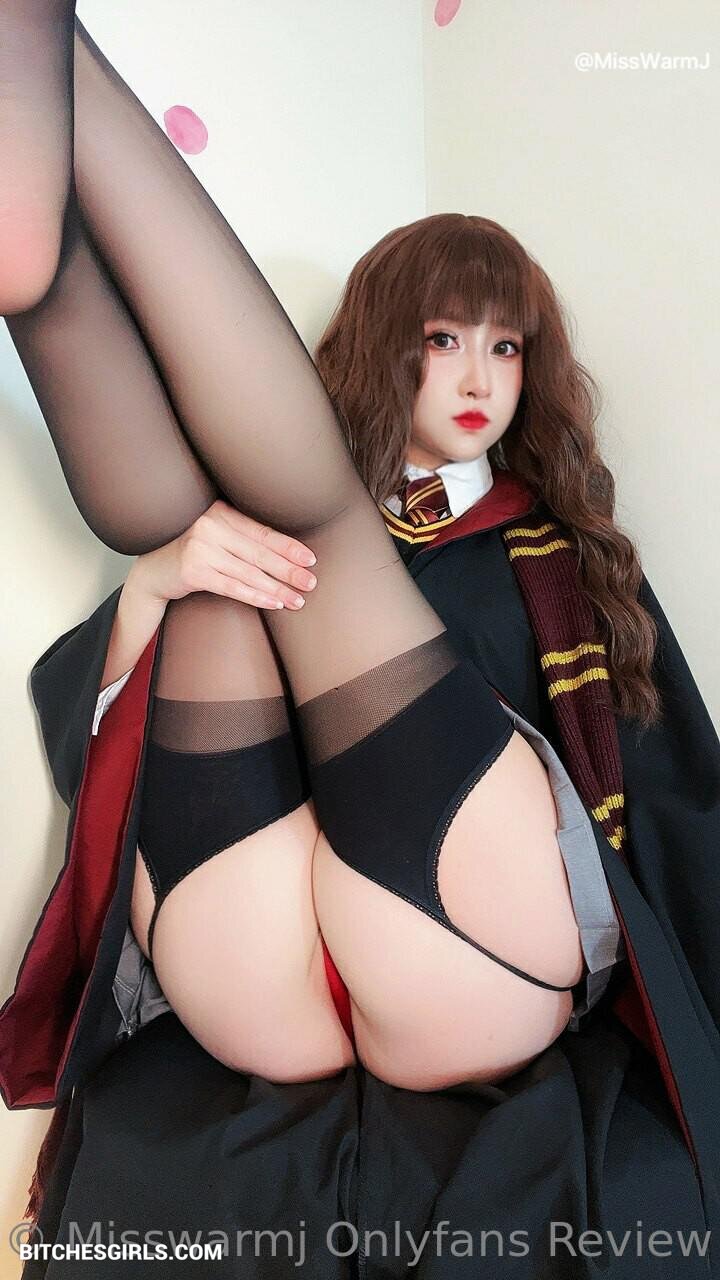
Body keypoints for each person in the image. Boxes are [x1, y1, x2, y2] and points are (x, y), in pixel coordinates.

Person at [1, 6, 719, 1278]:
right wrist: (152, 587)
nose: (479, 376)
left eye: (506, 345)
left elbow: (667, 791)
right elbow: (101, 716)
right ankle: (40, 267)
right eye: (444, 338)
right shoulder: (305, 517)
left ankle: (42, 161)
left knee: (302, 526)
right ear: (387, 344)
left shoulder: (554, 550)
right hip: (263, 956)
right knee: (222, 547)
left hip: (455, 952)